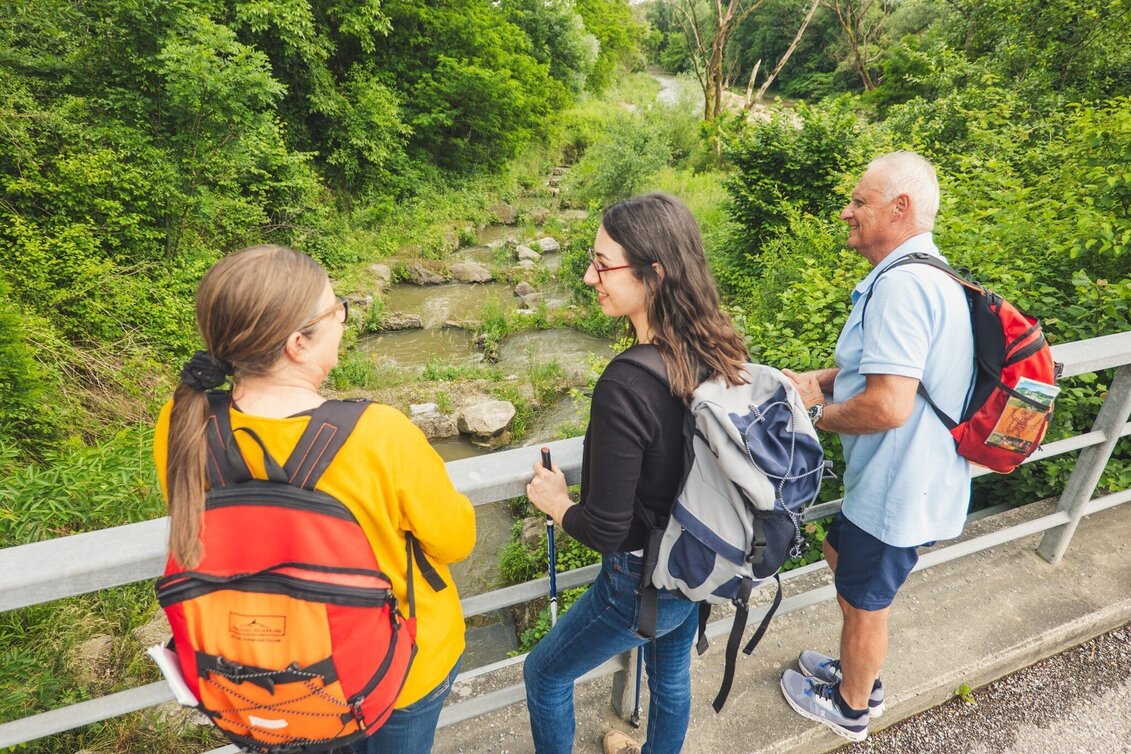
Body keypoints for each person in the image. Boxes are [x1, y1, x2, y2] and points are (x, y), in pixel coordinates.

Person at [155, 244, 475, 754]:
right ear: (297, 344)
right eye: (336, 312)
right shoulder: (378, 435)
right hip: (392, 669)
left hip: (259, 675)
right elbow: (455, 540)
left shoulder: (182, 422)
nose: (344, 322)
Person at [524, 193, 750, 754]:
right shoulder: (716, 349)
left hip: (639, 579)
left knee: (544, 675)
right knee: (670, 677)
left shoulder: (627, 383)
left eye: (602, 264)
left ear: (654, 273)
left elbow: (605, 528)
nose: (588, 276)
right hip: (695, 555)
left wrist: (556, 502)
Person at [780, 152, 974, 742]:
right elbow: (880, 370)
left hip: (899, 489)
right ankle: (858, 668)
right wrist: (818, 380)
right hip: (905, 482)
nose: (847, 211)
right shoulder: (927, 274)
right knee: (842, 557)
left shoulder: (903, 287)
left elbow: (889, 405)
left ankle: (852, 705)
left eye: (860, 202)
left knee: (866, 602)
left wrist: (812, 413)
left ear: (901, 208)